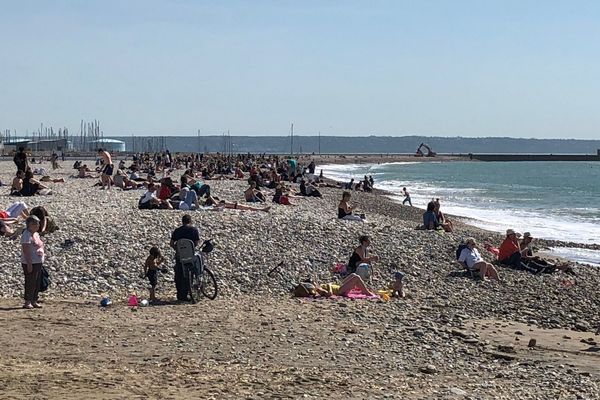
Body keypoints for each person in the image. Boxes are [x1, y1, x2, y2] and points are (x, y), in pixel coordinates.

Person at [169, 214, 200, 301]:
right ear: (190, 221)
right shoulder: (194, 230)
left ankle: (180, 295)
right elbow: (196, 243)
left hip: (180, 256)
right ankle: (189, 291)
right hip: (190, 255)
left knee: (179, 274)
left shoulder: (177, 230)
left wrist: (178, 249)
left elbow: (171, 243)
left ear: (182, 222)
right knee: (191, 271)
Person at [21, 216, 45, 309]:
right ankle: (27, 301)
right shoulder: (26, 235)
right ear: (30, 225)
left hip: (37, 261)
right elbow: (26, 250)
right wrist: (29, 263)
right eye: (36, 224)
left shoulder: (36, 234)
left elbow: (40, 244)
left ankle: (34, 300)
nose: (38, 226)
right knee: (30, 281)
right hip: (30, 262)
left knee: (37, 281)